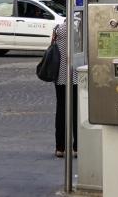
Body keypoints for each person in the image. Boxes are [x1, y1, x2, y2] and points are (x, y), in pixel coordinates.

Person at [49, 20, 78, 158]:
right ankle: (77, 147)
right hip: (76, 76)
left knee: (61, 110)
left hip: (60, 76)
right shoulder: (79, 28)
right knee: (76, 111)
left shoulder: (58, 28)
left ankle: (60, 147)